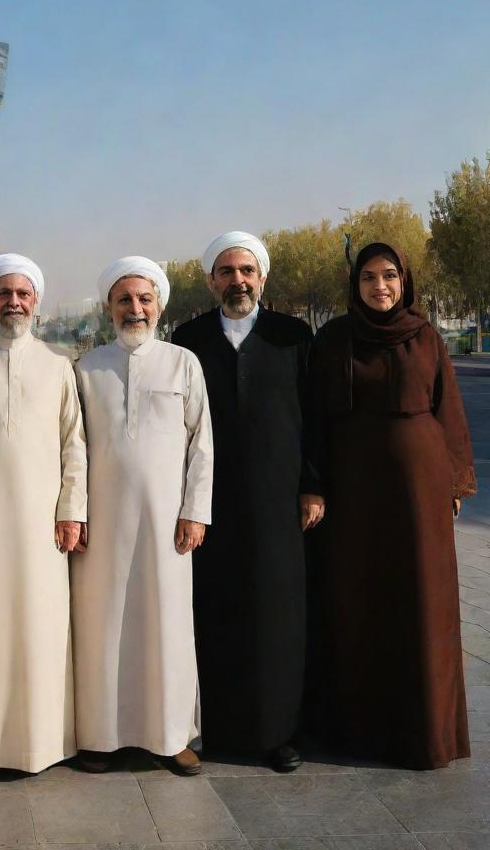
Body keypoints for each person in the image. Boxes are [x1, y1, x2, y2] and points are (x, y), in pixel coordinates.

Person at [303, 243, 475, 769]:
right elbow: (314, 419)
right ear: (354, 286)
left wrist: (454, 480)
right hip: (355, 490)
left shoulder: (426, 337)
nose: (380, 287)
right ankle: (359, 732)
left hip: (419, 491)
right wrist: (314, 486)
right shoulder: (333, 339)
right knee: (358, 601)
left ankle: (424, 734)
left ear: (405, 281)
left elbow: (448, 410)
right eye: (369, 278)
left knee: (422, 600)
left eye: (390, 277)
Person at [172, 231, 318, 772]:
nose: (238, 281)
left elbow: (314, 416)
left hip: (277, 499)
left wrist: (313, 484)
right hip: (208, 502)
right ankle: (221, 727)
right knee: (216, 609)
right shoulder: (188, 339)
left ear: (261, 278)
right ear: (211, 280)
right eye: (227, 272)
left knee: (276, 613)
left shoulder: (292, 336)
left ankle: (277, 731)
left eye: (246, 271)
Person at [72, 257, 213, 776]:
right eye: (125, 300)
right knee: (102, 626)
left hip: (167, 526)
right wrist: (75, 513)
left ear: (159, 305)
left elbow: (203, 445)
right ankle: (101, 737)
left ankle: (170, 735)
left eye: (144, 299)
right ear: (109, 308)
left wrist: (196, 511)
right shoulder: (87, 369)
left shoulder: (183, 364)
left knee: (167, 626)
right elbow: (75, 448)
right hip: (102, 526)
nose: (135, 309)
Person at [0, 254, 87, 772]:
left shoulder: (58, 366)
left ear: (36, 301)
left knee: (42, 627)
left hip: (43, 528)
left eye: (23, 293)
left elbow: (74, 444)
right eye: (4, 293)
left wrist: (71, 510)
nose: (14, 302)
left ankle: (46, 741)